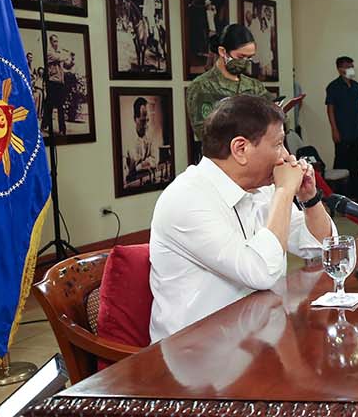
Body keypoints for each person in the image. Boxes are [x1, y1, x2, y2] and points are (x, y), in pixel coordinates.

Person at [148, 95, 334, 342]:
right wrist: (284, 191)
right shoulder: (187, 199)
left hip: (252, 337)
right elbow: (261, 273)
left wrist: (309, 198)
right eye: (278, 144)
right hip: (197, 357)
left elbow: (321, 248)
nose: (286, 156)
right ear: (240, 149)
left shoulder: (261, 189)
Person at [186, 23, 271, 161]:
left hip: (255, 162)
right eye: (240, 57)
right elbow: (205, 133)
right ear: (223, 52)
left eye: (249, 58)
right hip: (221, 164)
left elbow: (274, 116)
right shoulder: (203, 86)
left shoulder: (254, 86)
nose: (245, 63)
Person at [324, 56, 358, 201]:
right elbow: (330, 109)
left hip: (357, 131)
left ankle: (354, 194)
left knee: (355, 163)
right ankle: (340, 195)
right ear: (340, 68)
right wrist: (334, 130)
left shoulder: (356, 86)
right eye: (348, 66)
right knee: (341, 163)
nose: (351, 69)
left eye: (352, 66)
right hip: (342, 131)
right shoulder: (333, 87)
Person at [124, 97, 158, 187]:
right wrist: (146, 163)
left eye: (147, 121)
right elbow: (125, 173)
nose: (146, 125)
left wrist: (139, 166)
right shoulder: (127, 141)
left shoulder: (150, 136)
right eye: (143, 121)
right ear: (135, 119)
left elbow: (155, 160)